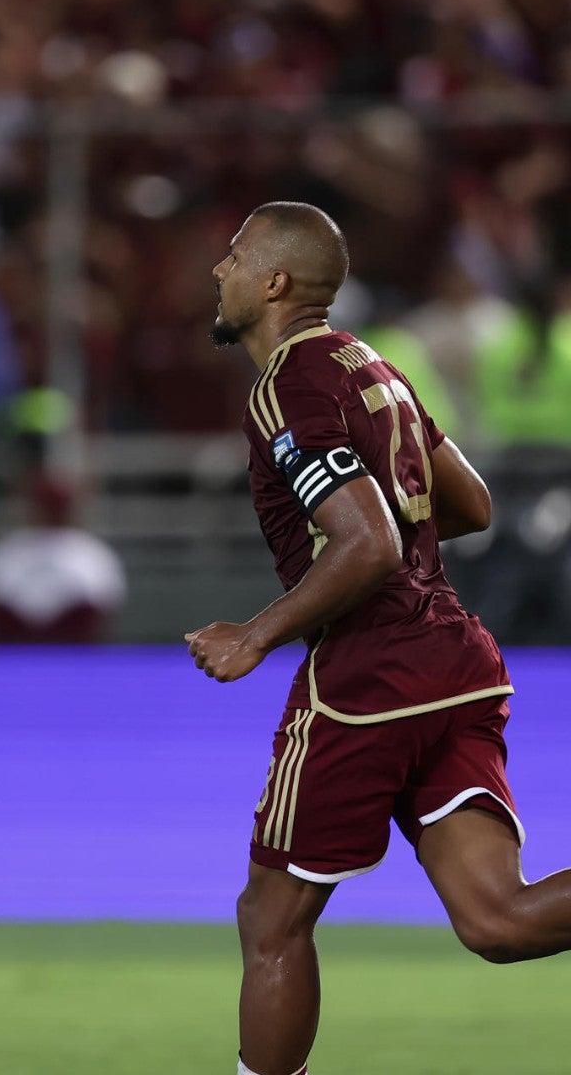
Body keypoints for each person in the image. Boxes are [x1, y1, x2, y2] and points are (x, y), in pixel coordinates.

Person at [187, 201, 571, 1075]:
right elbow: (469, 505)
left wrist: (257, 634)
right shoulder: (374, 368)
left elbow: (369, 542)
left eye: (236, 255)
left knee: (271, 919)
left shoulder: (287, 382)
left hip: (371, 676)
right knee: (498, 921)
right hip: (458, 657)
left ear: (275, 282)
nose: (221, 270)